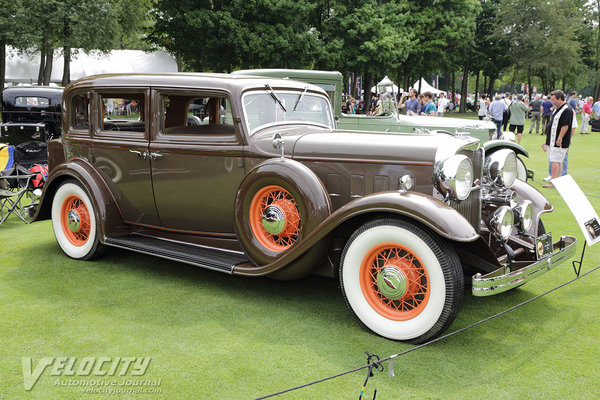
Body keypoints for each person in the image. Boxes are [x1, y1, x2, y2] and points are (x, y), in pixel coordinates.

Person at [542, 90, 573, 188]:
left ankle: (553, 182)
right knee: (557, 161)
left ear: (560, 99)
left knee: (555, 161)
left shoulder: (567, 110)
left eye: (553, 100)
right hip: (552, 140)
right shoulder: (557, 109)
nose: (552, 101)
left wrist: (559, 138)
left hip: (558, 141)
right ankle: (558, 181)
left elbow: (565, 126)